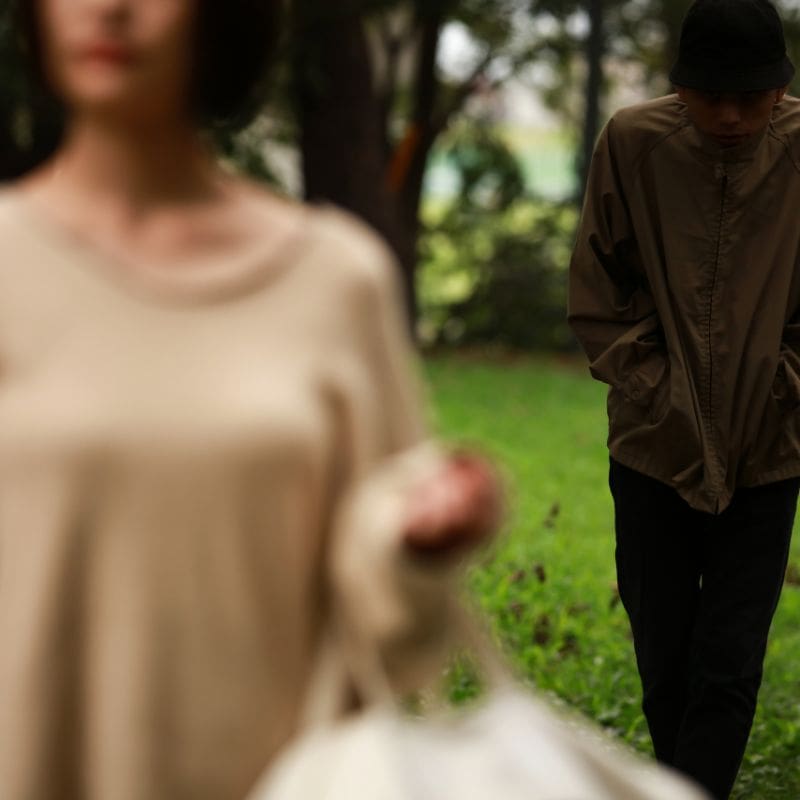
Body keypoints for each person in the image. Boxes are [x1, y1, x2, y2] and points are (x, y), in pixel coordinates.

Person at [0, 1, 503, 799]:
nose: (111, 10)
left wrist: (418, 538)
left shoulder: (334, 279)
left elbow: (392, 606)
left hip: (277, 773)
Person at [568, 0, 800, 797]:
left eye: (751, 97)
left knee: (728, 666)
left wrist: (783, 389)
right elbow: (598, 290)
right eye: (711, 96)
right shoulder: (633, 142)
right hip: (652, 449)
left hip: (771, 449)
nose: (730, 116)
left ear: (782, 87)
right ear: (679, 87)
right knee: (664, 661)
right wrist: (656, 391)